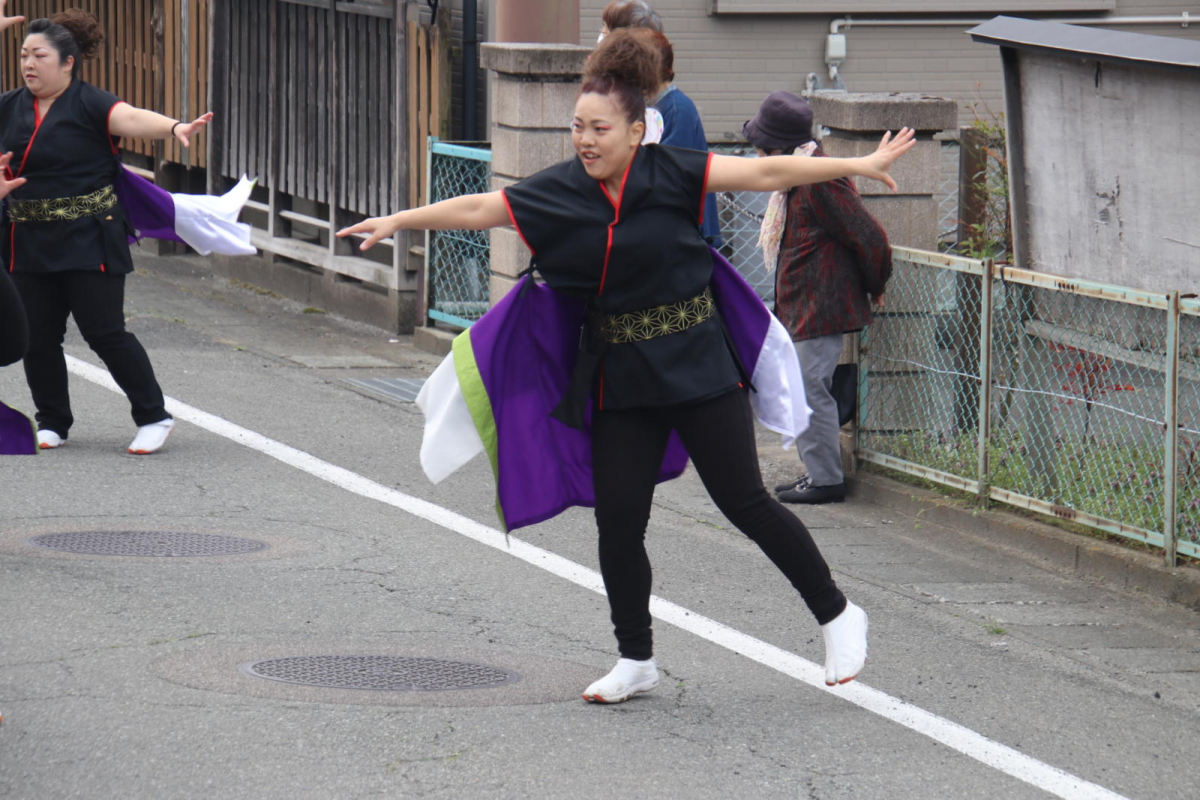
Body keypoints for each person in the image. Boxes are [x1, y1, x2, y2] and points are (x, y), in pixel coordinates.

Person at [339, 30, 914, 703]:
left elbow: (766, 174)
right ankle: (635, 658)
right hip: (622, 377)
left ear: (636, 131)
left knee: (745, 501)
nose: (585, 140)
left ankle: (838, 614)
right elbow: (478, 208)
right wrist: (398, 219)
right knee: (617, 522)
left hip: (699, 365)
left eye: (599, 128)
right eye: (577, 126)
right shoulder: (560, 191)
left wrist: (860, 163)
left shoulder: (671, 170)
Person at [0, 5, 212, 454]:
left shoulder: (90, 103)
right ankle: (52, 420)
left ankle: (153, 416)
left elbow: (131, 118)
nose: (28, 65)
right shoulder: (9, 106)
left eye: (39, 56)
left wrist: (175, 127)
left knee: (104, 332)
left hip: (88, 236)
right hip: (26, 238)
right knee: (38, 336)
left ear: (67, 63)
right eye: (23, 56)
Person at [743, 92, 892, 505]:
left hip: (820, 305)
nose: (758, 155)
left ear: (779, 147)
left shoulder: (819, 178)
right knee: (805, 388)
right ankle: (818, 473)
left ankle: (826, 480)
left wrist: (876, 283)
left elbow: (869, 235)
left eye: (762, 147)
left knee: (809, 390)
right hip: (802, 304)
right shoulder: (798, 176)